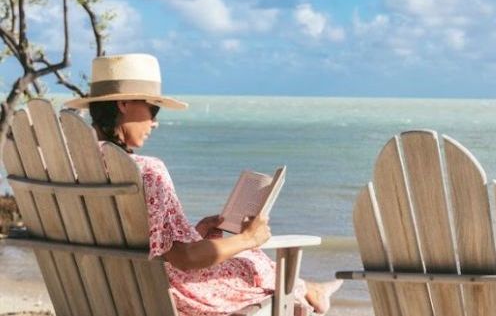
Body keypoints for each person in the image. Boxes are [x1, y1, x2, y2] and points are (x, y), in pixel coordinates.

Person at [64, 53, 342, 316]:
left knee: (249, 261)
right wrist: (248, 238)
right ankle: (310, 290)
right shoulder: (148, 170)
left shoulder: (74, 170)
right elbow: (185, 259)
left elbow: (128, 238)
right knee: (253, 263)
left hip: (105, 290)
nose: (155, 123)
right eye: (153, 109)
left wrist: (193, 232)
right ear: (124, 104)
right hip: (169, 294)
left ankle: (311, 289)